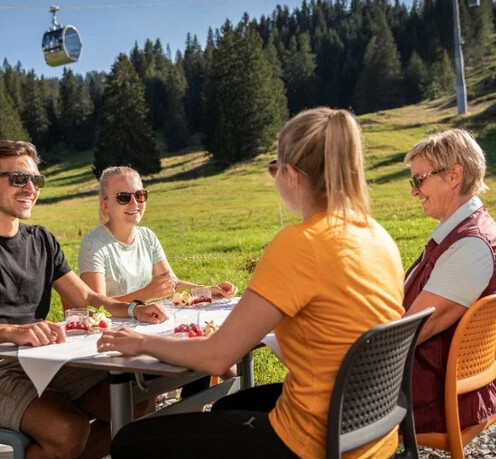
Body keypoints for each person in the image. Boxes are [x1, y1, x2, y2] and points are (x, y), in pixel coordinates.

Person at [98, 107, 406, 459]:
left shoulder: (301, 243)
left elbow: (217, 357)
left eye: (275, 169)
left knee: (129, 440)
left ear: (291, 175)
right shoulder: (377, 236)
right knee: (228, 407)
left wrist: (140, 343)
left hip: (310, 443)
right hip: (369, 431)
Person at [0, 140, 168, 459]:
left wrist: (135, 309)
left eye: (35, 180)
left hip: (42, 362)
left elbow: (86, 296)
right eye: (18, 179)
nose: (30, 188)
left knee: (137, 405)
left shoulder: (41, 240)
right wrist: (14, 332)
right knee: (69, 430)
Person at [402, 129, 496, 434]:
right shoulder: (469, 235)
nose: (415, 191)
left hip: (428, 398)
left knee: (314, 399)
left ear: (454, 176)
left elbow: (408, 334)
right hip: (431, 387)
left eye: (419, 180)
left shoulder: (471, 247)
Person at [78, 165, 237, 303]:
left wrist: (209, 290)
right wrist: (146, 294)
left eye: (139, 195)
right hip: (113, 327)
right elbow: (94, 306)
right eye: (123, 197)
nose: (134, 203)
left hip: (146, 320)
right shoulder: (93, 245)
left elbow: (173, 284)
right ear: (105, 205)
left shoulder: (147, 237)